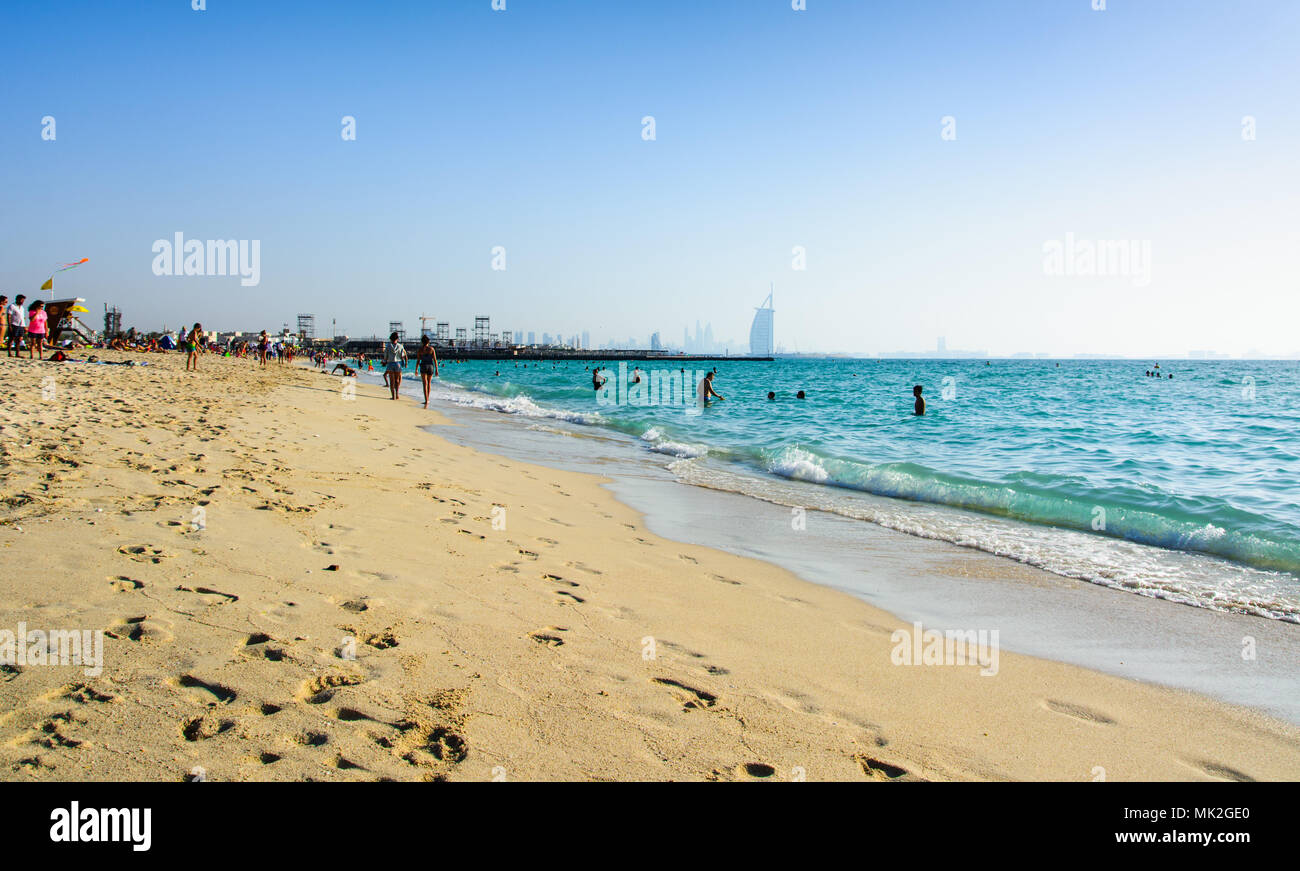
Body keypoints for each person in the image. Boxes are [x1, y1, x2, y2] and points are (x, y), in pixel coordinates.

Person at [417, 335, 439, 408]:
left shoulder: (420, 350)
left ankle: (426, 399)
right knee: (429, 383)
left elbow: (418, 360)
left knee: (424, 384)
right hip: (430, 366)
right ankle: (428, 399)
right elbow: (435, 360)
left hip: (423, 366)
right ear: (428, 342)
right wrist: (436, 370)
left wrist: (416, 369)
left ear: (422, 342)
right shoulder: (432, 349)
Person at [383, 332, 407, 400]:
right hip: (398, 364)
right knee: (397, 380)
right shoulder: (400, 346)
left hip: (390, 363)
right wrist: (405, 363)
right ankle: (397, 394)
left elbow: (385, 356)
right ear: (397, 338)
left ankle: (393, 396)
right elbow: (402, 356)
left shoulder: (388, 346)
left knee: (391, 380)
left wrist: (384, 362)